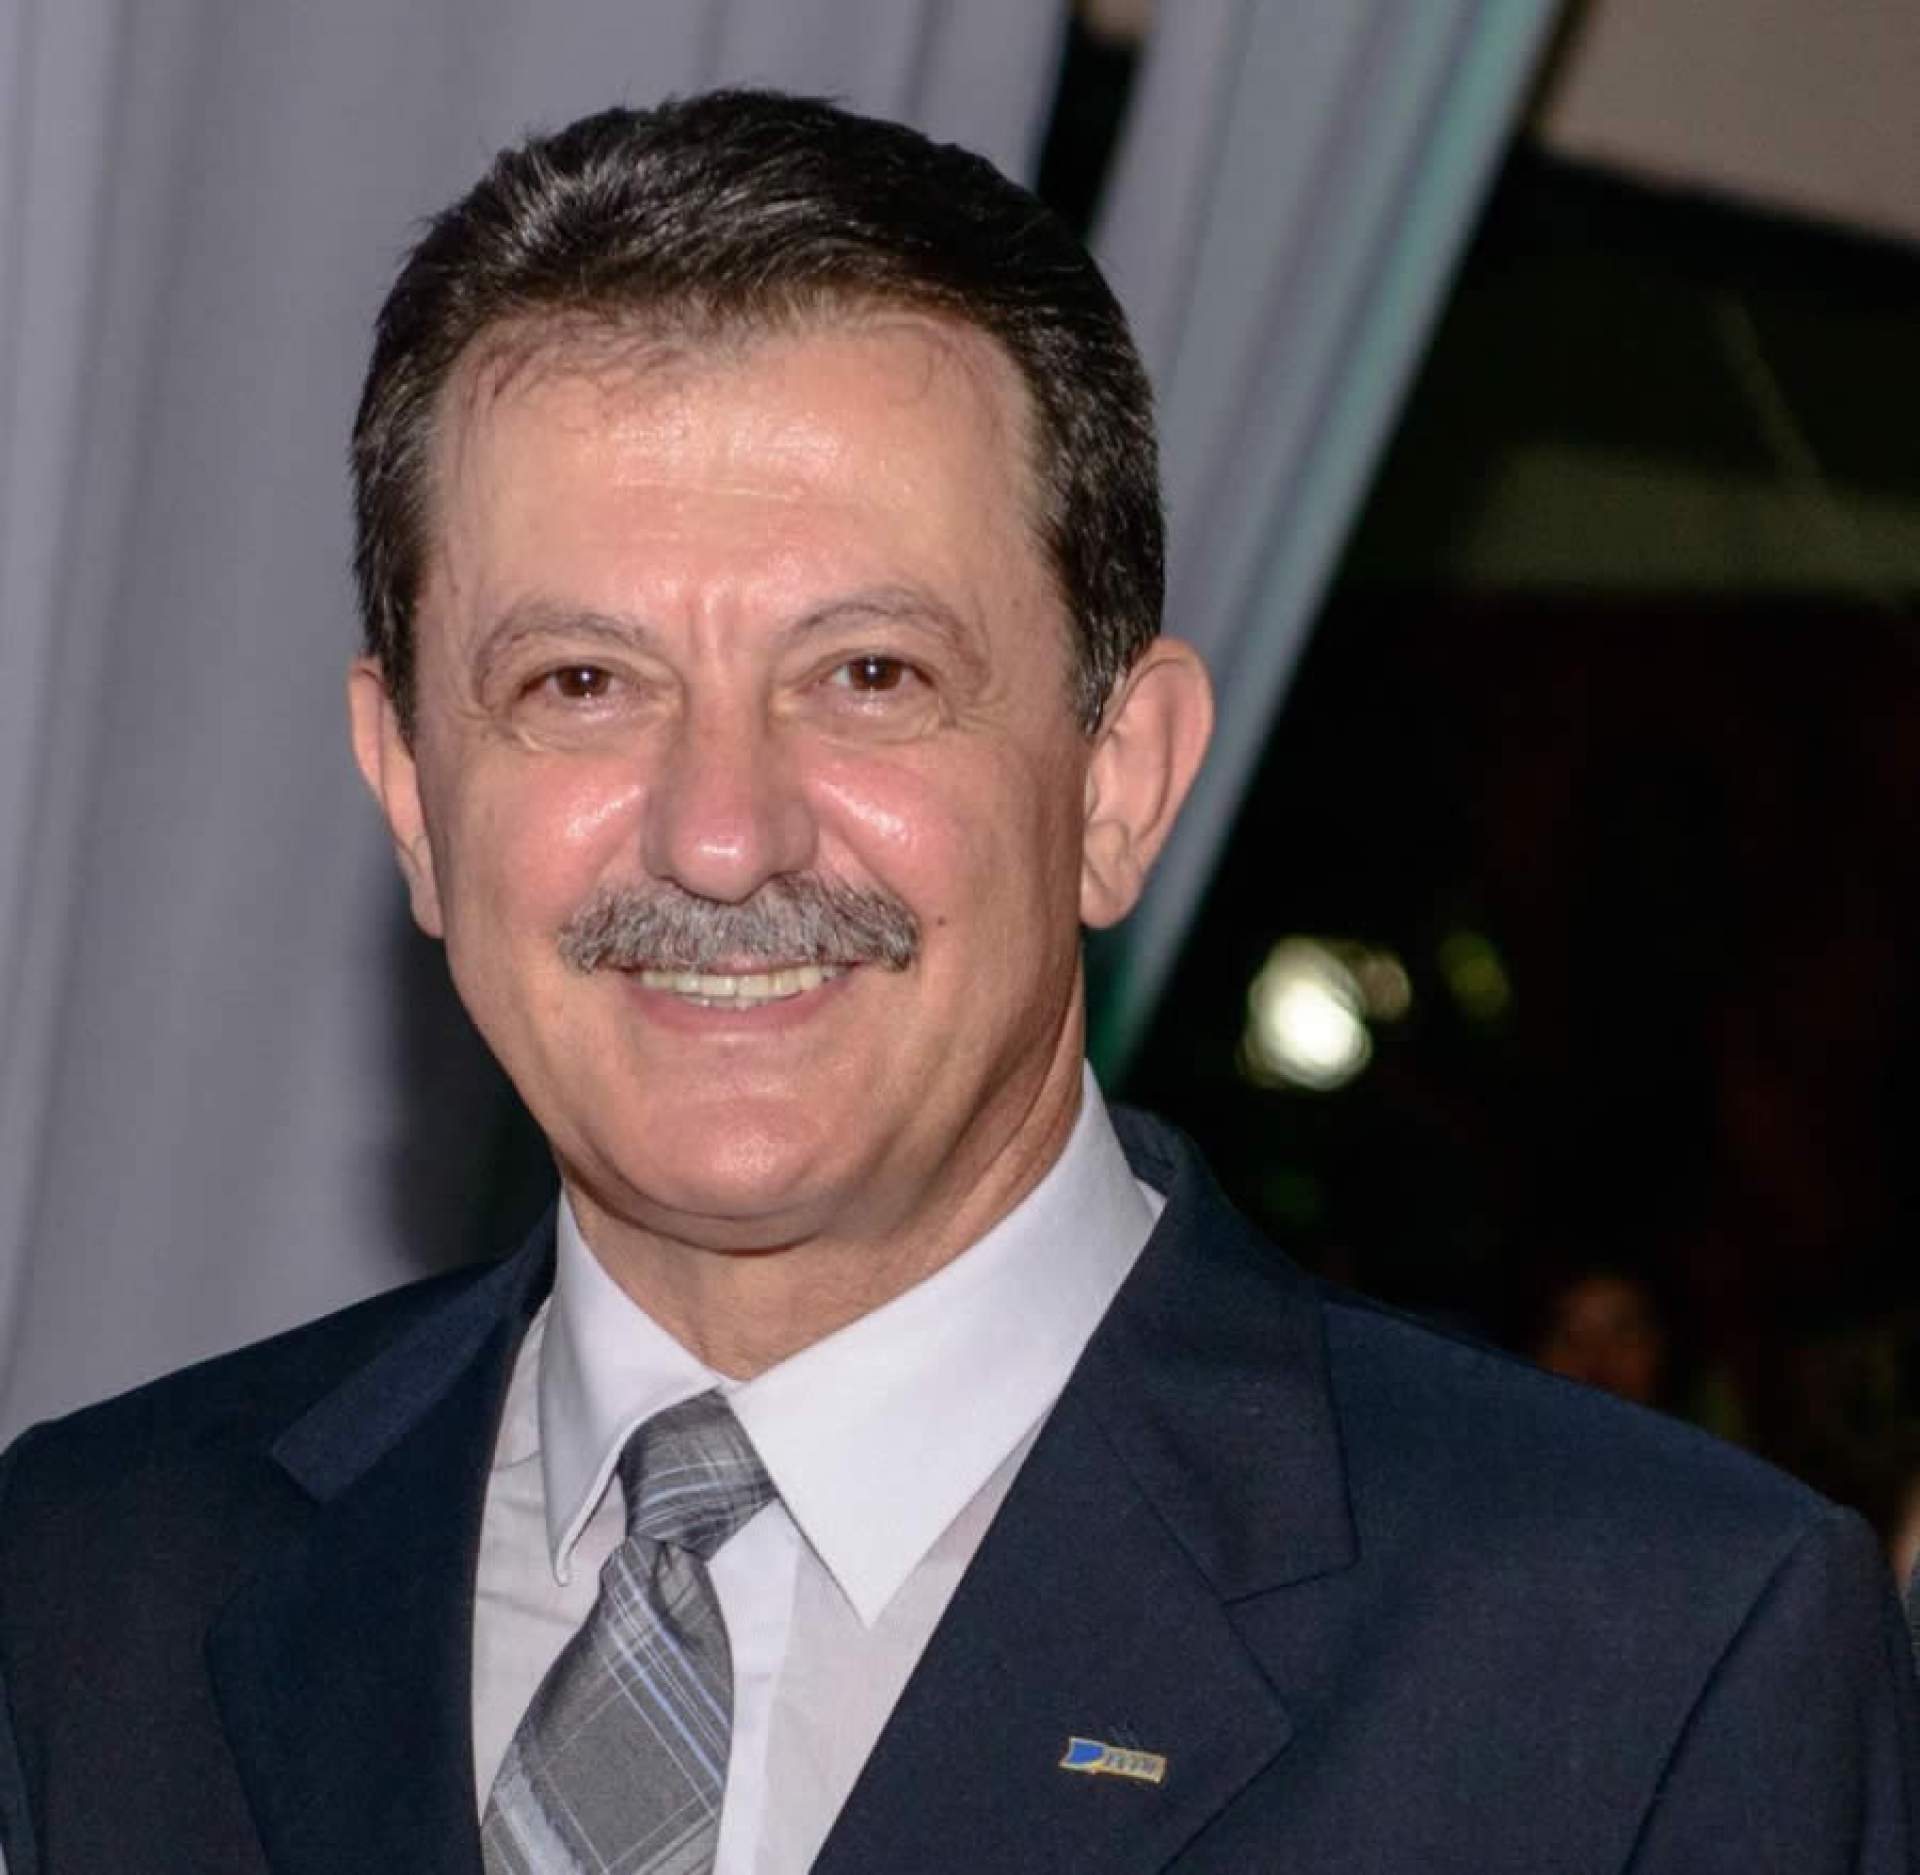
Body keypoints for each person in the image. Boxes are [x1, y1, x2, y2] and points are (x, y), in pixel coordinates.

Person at [0, 90, 1913, 1874]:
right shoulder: (96, 1584)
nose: (722, 837)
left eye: (869, 677)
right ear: (415, 795)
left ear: (1118, 785)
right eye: (581, 683)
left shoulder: (1641, 1661)